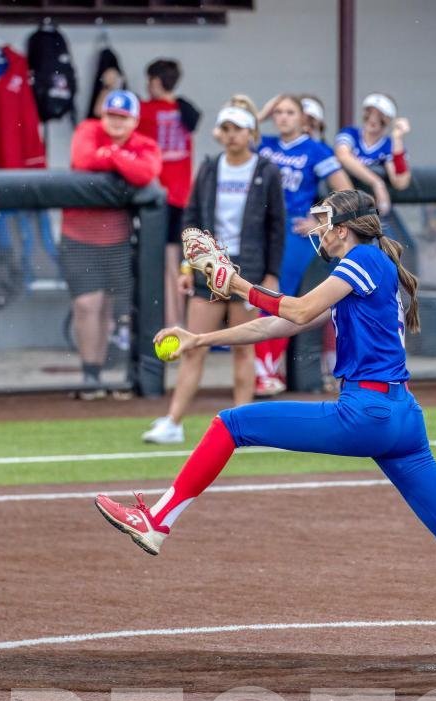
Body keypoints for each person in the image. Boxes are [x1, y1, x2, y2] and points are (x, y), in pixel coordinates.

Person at [96, 189, 436, 672]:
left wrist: (237, 284)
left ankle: (157, 522)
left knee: (231, 424)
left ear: (345, 229)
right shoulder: (364, 267)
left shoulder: (363, 259)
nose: (318, 230)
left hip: (367, 413)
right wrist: (201, 338)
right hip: (401, 417)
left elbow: (298, 310)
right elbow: (280, 324)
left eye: (324, 221)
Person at [141, 97, 286, 444]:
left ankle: (242, 426)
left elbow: (276, 226)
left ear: (251, 133)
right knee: (193, 346)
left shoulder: (266, 171)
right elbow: (191, 219)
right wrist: (187, 265)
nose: (232, 135)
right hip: (208, 268)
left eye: (238, 129)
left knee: (243, 348)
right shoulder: (209, 168)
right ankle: (173, 422)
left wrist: (270, 273)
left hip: (247, 270)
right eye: (226, 129)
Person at [61, 90, 162, 399]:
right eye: (111, 116)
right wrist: (121, 159)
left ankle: (104, 374)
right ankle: (89, 376)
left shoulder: (145, 144)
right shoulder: (87, 130)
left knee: (109, 308)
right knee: (86, 305)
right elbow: (83, 159)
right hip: (78, 237)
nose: (116, 122)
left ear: (135, 121)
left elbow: (146, 173)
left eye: (123, 117)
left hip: (117, 241)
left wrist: (111, 155)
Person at [253, 94, 352, 396]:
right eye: (279, 112)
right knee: (253, 298)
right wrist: (262, 113)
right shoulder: (264, 144)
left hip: (292, 232)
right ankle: (264, 372)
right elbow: (234, 132)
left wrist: (319, 221)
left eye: (289, 112)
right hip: (259, 229)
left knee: (276, 298)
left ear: (302, 118)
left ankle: (267, 373)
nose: (283, 117)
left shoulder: (315, 150)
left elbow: (345, 191)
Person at [137, 59, 202, 330]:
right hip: (183, 198)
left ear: (155, 81)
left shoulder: (146, 111)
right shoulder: (185, 111)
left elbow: (101, 114)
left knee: (165, 267)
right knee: (177, 265)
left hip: (161, 199)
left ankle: (172, 326)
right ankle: (179, 323)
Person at [333, 93, 412, 218]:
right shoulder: (351, 133)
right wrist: (377, 183)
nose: (373, 119)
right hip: (344, 207)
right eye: (369, 112)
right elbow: (343, 155)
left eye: (380, 115)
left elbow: (400, 182)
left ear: (388, 120)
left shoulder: (389, 145)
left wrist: (397, 138)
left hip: (374, 211)